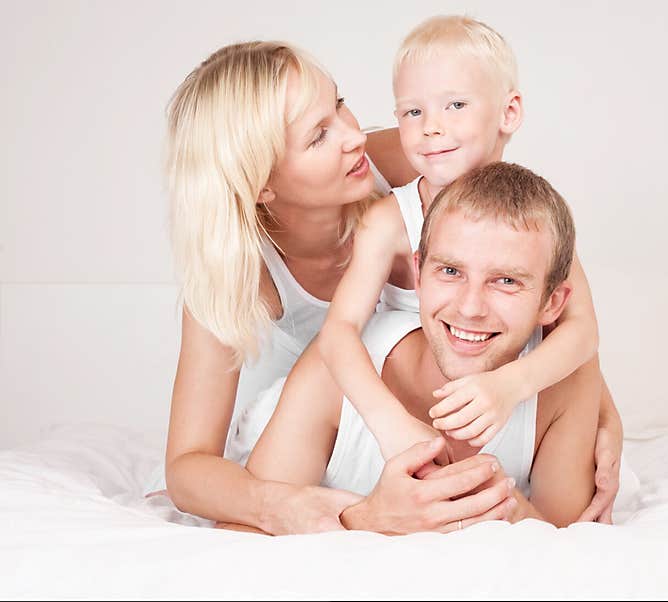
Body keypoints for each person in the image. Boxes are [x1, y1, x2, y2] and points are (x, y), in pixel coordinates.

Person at [153, 38, 622, 534]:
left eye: (338, 104)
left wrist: (596, 416)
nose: (354, 136)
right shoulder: (233, 273)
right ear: (261, 182)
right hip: (325, 429)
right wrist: (281, 503)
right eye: (318, 137)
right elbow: (187, 467)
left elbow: (546, 282)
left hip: (442, 415)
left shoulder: (414, 160)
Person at [316, 15, 608, 480]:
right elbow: (338, 333)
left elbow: (582, 331)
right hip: (405, 397)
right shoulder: (389, 221)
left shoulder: (531, 219)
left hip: (498, 390)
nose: (431, 127)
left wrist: (509, 386)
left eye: (454, 105)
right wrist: (389, 423)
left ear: (508, 113)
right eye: (413, 112)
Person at [242, 162, 601, 533]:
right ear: (418, 273)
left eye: (506, 280)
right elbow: (241, 536)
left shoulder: (565, 387)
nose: (469, 308)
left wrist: (506, 511)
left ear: (552, 303)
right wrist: (369, 519)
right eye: (450, 271)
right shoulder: (333, 369)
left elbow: (570, 547)